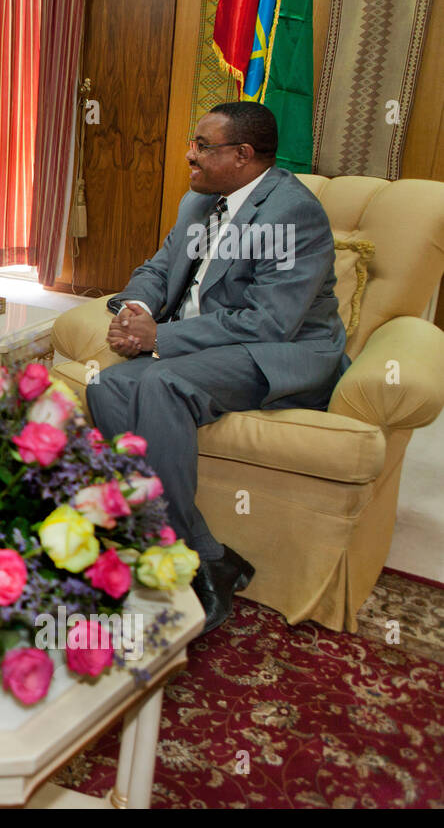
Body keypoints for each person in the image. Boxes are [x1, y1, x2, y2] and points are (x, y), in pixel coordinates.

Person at [87, 102, 347, 634]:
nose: (190, 155)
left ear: (243, 155)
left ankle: (184, 566)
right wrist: (135, 310)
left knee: (160, 383)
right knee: (109, 386)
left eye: (203, 146)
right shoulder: (199, 201)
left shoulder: (292, 213)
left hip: (281, 352)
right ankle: (202, 554)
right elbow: (158, 269)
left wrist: (161, 338)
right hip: (207, 347)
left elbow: (270, 322)